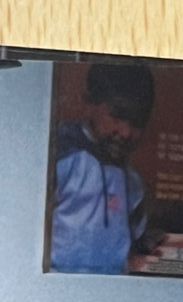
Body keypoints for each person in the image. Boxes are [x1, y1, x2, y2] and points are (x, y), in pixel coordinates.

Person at [49, 63, 163, 275]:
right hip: (57, 288)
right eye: (117, 116)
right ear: (89, 104)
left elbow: (134, 240)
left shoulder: (133, 182)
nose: (126, 132)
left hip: (112, 293)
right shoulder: (58, 157)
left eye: (137, 122)